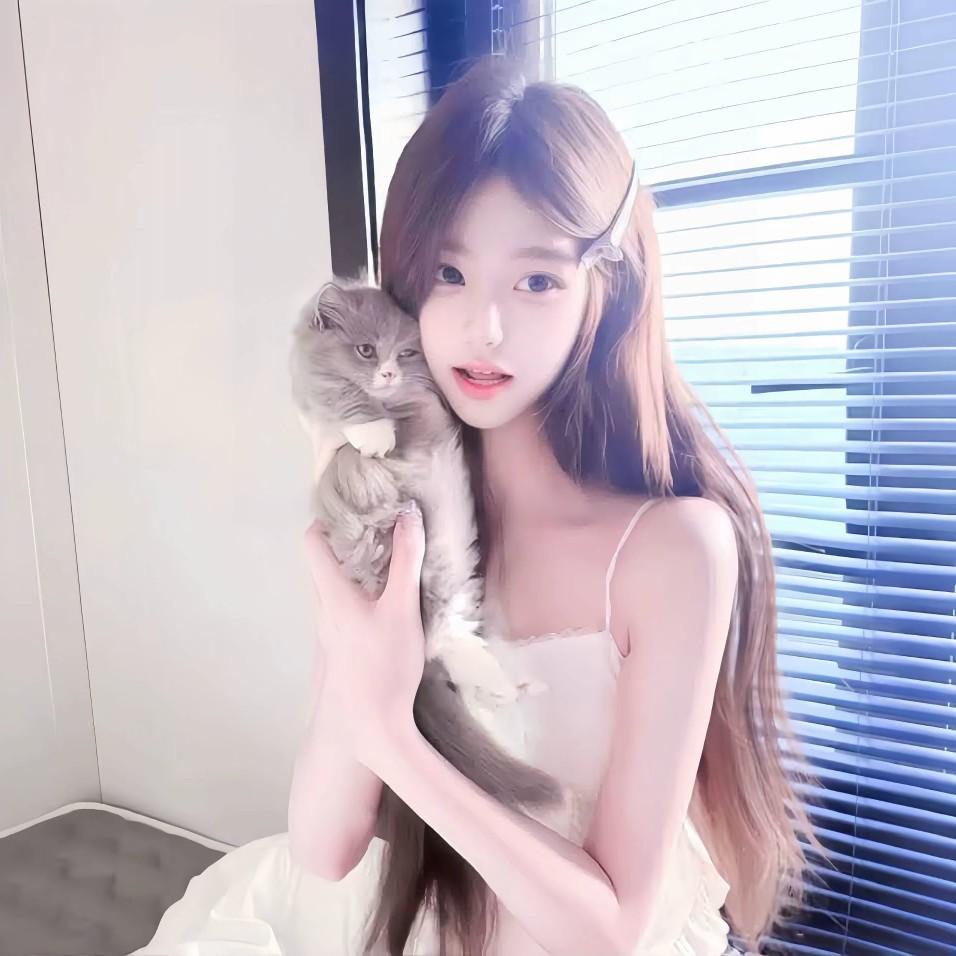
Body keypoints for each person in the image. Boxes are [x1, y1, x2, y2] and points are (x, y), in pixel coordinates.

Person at [132, 55, 824, 956]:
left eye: (536, 281)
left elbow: (610, 929)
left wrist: (392, 733)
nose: (483, 327)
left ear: (604, 291)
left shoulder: (674, 549)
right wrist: (362, 669)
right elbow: (325, 845)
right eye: (448, 274)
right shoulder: (400, 522)